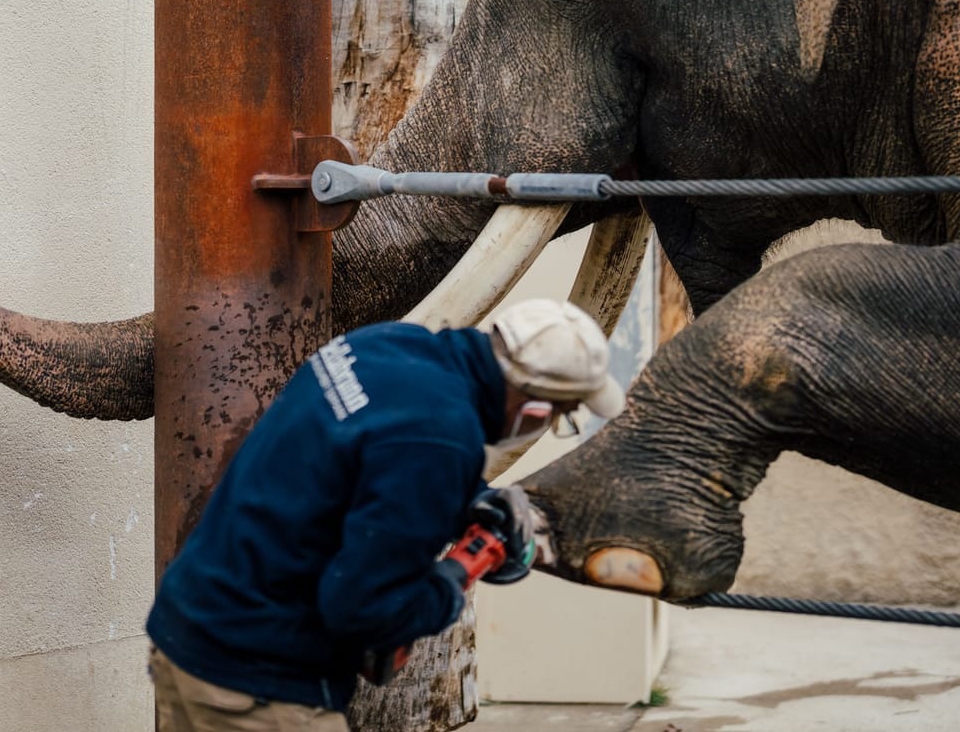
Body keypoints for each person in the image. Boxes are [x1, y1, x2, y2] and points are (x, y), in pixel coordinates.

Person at [145, 298, 626, 731]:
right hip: (256, 685)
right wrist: (453, 579)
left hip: (188, 632)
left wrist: (469, 499)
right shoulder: (440, 439)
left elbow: (366, 462)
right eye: (560, 415)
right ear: (535, 407)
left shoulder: (387, 343)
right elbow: (362, 611)